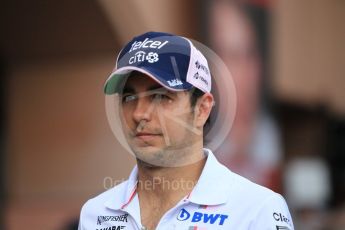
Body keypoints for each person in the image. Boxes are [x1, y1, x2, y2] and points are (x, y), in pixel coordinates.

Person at [78, 31, 294, 230]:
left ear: (202, 109)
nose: (139, 114)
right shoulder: (95, 213)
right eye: (129, 97)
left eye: (161, 96)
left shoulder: (258, 210)